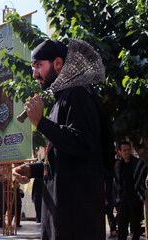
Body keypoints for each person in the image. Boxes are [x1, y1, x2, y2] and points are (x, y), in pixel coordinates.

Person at [12, 39, 115, 240]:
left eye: (39, 66)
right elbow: (64, 157)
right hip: (62, 219)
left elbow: (83, 145)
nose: (35, 74)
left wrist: (41, 123)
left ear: (58, 63)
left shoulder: (78, 94)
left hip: (76, 221)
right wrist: (33, 169)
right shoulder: (62, 99)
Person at [116, 142, 147, 240]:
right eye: (124, 150)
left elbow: (143, 179)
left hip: (135, 197)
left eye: (128, 150)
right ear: (120, 152)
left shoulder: (138, 164)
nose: (127, 152)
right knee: (121, 225)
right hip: (123, 198)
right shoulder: (119, 167)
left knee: (135, 225)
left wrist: (141, 194)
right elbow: (117, 183)